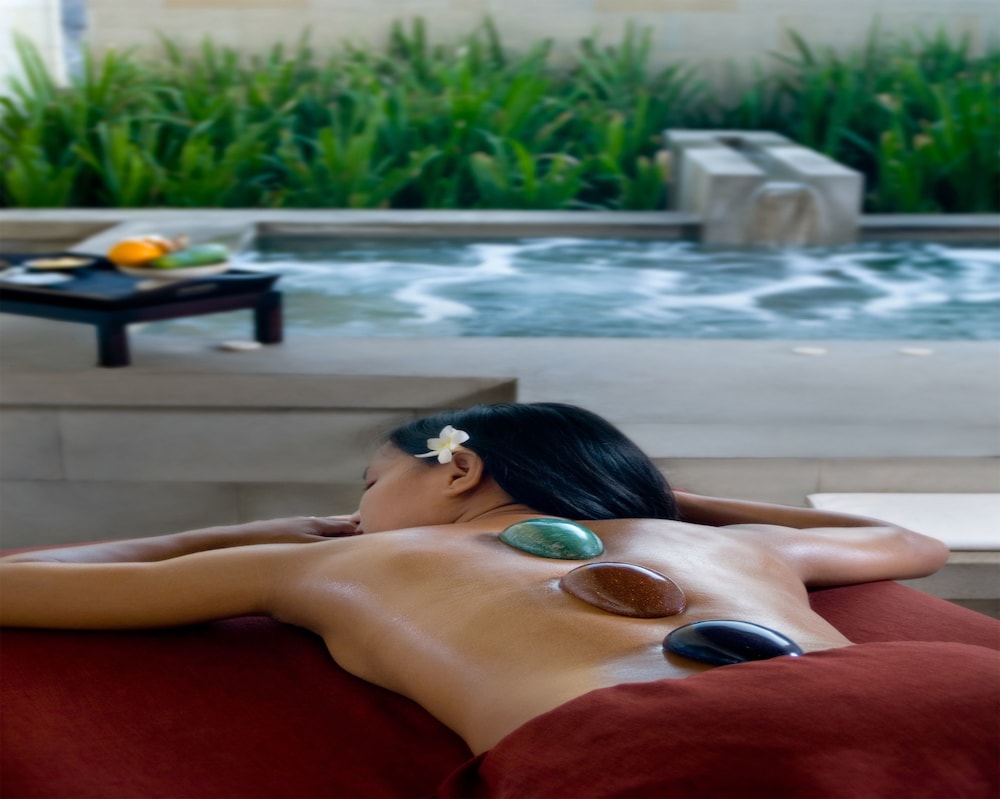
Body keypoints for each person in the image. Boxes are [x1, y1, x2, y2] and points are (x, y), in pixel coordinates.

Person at [0, 402, 948, 755]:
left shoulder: (337, 559)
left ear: (456, 469)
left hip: (659, 744)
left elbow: (18, 581)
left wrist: (244, 532)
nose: (359, 509)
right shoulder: (723, 543)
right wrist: (688, 502)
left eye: (371, 483)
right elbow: (907, 540)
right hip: (920, 698)